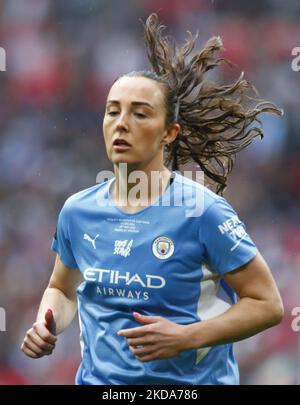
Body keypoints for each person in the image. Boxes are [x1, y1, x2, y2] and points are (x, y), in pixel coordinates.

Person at [21, 14, 284, 385]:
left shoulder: (202, 212)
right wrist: (46, 322)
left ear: (169, 133)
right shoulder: (78, 211)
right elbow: (62, 289)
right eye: (113, 111)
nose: (121, 123)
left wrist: (185, 337)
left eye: (140, 113)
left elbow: (267, 305)